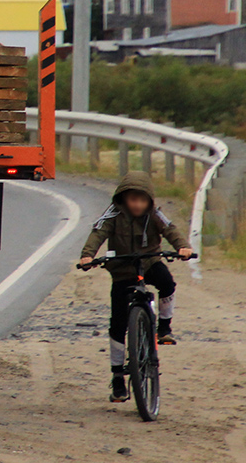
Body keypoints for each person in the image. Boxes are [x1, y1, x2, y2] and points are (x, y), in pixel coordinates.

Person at [79, 172, 193, 403]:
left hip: (149, 261)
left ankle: (163, 327)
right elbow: (98, 232)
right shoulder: (113, 214)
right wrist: (87, 256)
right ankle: (118, 378)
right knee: (118, 323)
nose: (138, 205)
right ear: (123, 199)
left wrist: (183, 247)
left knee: (167, 283)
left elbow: (171, 230)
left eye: (142, 200)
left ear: (149, 200)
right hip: (122, 268)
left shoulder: (155, 214)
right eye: (133, 199)